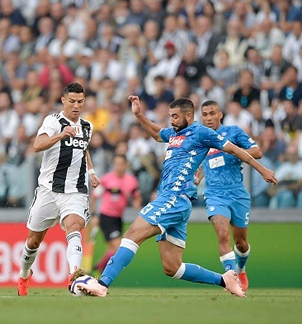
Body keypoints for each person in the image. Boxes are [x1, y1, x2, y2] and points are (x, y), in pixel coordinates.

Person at [83, 96, 277, 298]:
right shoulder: (175, 134)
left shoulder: (201, 132)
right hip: (176, 201)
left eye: (175, 116)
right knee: (172, 267)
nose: (172, 121)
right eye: (170, 116)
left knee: (132, 234)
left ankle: (102, 284)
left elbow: (236, 150)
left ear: (189, 115)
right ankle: (225, 279)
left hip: (174, 198)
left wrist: (263, 170)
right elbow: (158, 134)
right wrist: (139, 115)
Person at [17, 82, 100, 296]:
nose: (76, 106)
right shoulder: (53, 121)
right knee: (33, 241)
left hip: (75, 190)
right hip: (48, 190)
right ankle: (25, 274)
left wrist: (91, 173)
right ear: (63, 100)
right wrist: (61, 135)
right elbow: (37, 145)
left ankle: (75, 274)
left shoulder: (87, 127)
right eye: (72, 101)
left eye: (80, 102)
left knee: (74, 226)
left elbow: (84, 150)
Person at [195, 100, 262, 292]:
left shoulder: (233, 132)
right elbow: (204, 161)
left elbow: (257, 151)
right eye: (205, 114)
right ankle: (232, 278)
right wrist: (198, 176)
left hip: (238, 193)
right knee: (223, 235)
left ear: (220, 114)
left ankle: (241, 269)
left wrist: (233, 153)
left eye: (212, 113)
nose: (208, 118)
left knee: (240, 242)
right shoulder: (201, 137)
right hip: (215, 194)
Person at [90, 154, 142, 273]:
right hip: (106, 217)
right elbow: (94, 197)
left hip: (119, 218)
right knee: (117, 246)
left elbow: (136, 196)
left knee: (113, 248)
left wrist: (136, 203)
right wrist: (93, 215)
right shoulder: (106, 179)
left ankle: (99, 269)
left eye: (120, 164)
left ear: (125, 165)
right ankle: (100, 267)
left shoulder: (131, 180)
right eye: (116, 164)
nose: (118, 166)